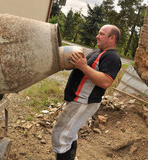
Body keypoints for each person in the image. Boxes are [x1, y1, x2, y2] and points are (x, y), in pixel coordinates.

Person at [52, 24, 122, 160]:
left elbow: (105, 81)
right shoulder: (98, 51)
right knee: (69, 133)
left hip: (83, 101)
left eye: (101, 34)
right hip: (77, 100)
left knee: (60, 136)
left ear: (112, 39)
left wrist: (83, 66)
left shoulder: (112, 58)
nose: (97, 36)